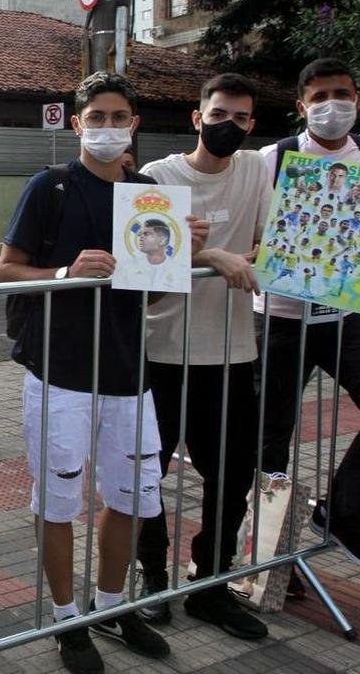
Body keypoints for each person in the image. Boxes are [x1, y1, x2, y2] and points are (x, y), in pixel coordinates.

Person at [0, 72, 203, 674]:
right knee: (59, 502)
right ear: (77, 123)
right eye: (97, 117)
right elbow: (5, 270)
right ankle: (67, 620)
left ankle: (111, 606)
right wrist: (65, 272)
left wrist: (180, 257)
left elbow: (153, 296)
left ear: (134, 125)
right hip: (59, 374)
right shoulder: (50, 187)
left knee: (133, 497)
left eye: (118, 117)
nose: (108, 128)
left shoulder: (148, 195)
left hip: (130, 374)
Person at [257, 58, 360, 574]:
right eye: (320, 96)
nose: (333, 105)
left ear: (358, 99)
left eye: (342, 94)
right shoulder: (274, 158)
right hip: (280, 317)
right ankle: (268, 562)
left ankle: (343, 514)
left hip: (346, 313)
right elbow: (250, 231)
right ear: (301, 105)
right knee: (270, 440)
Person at [134, 73, 270, 640]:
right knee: (146, 473)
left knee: (232, 476)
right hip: (161, 352)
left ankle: (211, 584)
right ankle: (151, 577)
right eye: (218, 115)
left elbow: (271, 241)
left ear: (252, 124)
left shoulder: (257, 170)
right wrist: (211, 255)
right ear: (197, 118)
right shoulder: (157, 176)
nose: (227, 126)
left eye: (240, 118)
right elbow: (144, 258)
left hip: (233, 352)